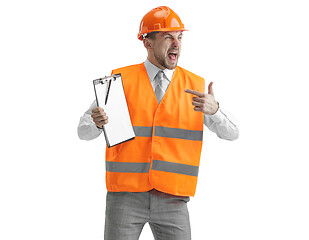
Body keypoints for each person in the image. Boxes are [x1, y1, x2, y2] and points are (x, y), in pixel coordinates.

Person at [78, 6, 239, 240]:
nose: (176, 44)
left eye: (180, 37)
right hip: (125, 197)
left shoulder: (194, 87)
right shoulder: (120, 82)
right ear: (147, 43)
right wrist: (96, 123)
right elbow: (82, 131)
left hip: (173, 199)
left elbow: (233, 133)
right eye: (168, 37)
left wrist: (215, 111)